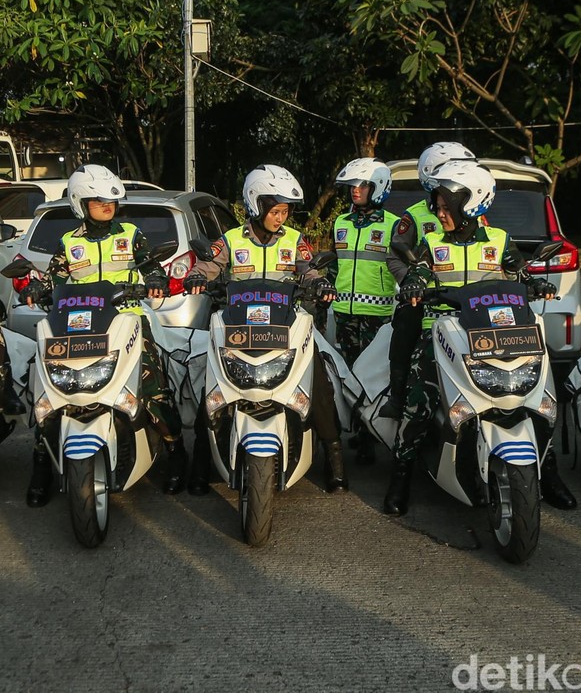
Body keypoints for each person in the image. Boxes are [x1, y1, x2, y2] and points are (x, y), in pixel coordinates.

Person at [382, 160, 576, 515]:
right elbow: (420, 270)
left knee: (541, 400)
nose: (439, 213)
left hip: (497, 333)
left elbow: (519, 272)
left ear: (468, 205)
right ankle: (401, 477)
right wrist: (413, 282)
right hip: (443, 334)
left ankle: (548, 474)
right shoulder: (432, 242)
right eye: (438, 206)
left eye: (445, 206)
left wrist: (536, 284)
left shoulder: (500, 240)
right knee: (419, 406)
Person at [20, 164, 188, 507]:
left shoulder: (130, 233)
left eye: (111, 201)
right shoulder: (69, 243)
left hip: (126, 321)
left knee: (154, 385)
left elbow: (150, 265)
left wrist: (154, 278)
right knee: (47, 389)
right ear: (81, 203)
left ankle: (176, 453)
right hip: (78, 324)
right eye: (98, 201)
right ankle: (41, 466)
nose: (107, 206)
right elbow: (54, 278)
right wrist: (38, 287)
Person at [183, 164, 349, 495]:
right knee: (209, 386)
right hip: (237, 327)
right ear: (256, 205)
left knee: (319, 383)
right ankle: (200, 467)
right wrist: (197, 277)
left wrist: (320, 285)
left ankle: (334, 459)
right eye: (275, 210)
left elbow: (309, 270)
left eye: (284, 211)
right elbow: (208, 265)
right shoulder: (230, 240)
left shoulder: (295, 240)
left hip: (286, 326)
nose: (280, 217)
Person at [382, 142, 477, 419]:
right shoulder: (414, 215)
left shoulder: (474, 214)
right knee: (404, 328)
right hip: (426, 301)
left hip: (470, 304)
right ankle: (398, 397)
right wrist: (414, 285)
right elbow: (394, 256)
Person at [331, 158, 399, 463]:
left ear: (379, 188)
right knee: (348, 375)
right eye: (352, 186)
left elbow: (403, 268)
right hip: (344, 312)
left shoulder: (395, 225)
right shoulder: (340, 223)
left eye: (362, 185)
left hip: (378, 315)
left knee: (372, 377)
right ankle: (358, 430)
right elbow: (335, 264)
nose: (355, 191)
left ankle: (372, 435)